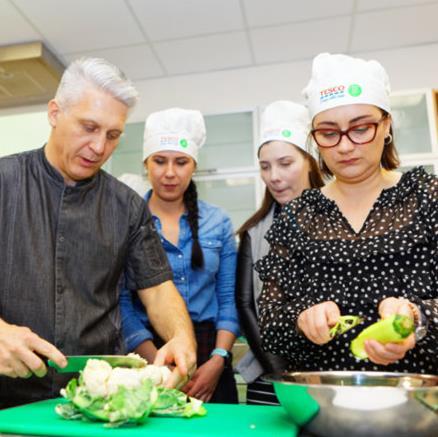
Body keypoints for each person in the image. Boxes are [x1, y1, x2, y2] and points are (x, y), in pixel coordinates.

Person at [0, 58, 196, 408]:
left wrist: (182, 337)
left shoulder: (127, 206)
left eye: (113, 135)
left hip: (98, 402)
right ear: (55, 113)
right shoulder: (5, 183)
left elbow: (158, 289)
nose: (99, 147)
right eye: (88, 127)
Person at [256, 53, 437, 374]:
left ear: (386, 125)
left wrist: (416, 316)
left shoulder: (426, 197)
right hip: (324, 399)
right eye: (328, 133)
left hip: (418, 400)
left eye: (361, 128)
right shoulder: (299, 216)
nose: (344, 146)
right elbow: (270, 321)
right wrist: (301, 319)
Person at [120, 108, 239, 403]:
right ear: (145, 164)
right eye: (159, 161)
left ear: (194, 165)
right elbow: (122, 303)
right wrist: (159, 365)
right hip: (149, 355)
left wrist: (217, 361)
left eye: (181, 162)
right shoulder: (126, 223)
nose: (170, 172)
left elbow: (228, 299)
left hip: (212, 357)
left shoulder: (218, 222)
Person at [235, 101, 324, 405]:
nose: (273, 175)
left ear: (310, 161)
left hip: (332, 373)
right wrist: (277, 369)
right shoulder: (254, 231)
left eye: (285, 163)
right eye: (265, 166)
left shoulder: (342, 220)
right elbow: (245, 304)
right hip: (268, 377)